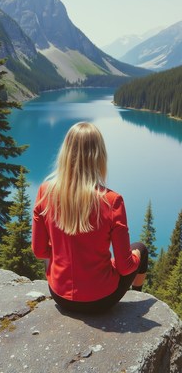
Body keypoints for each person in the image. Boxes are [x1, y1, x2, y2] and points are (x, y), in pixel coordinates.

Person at [32, 122, 148, 313]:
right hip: (101, 300)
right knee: (141, 249)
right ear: (99, 156)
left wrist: (65, 254)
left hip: (59, 295)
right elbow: (125, 267)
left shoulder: (45, 192)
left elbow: (39, 251)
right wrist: (135, 257)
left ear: (66, 153)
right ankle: (138, 296)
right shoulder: (112, 201)